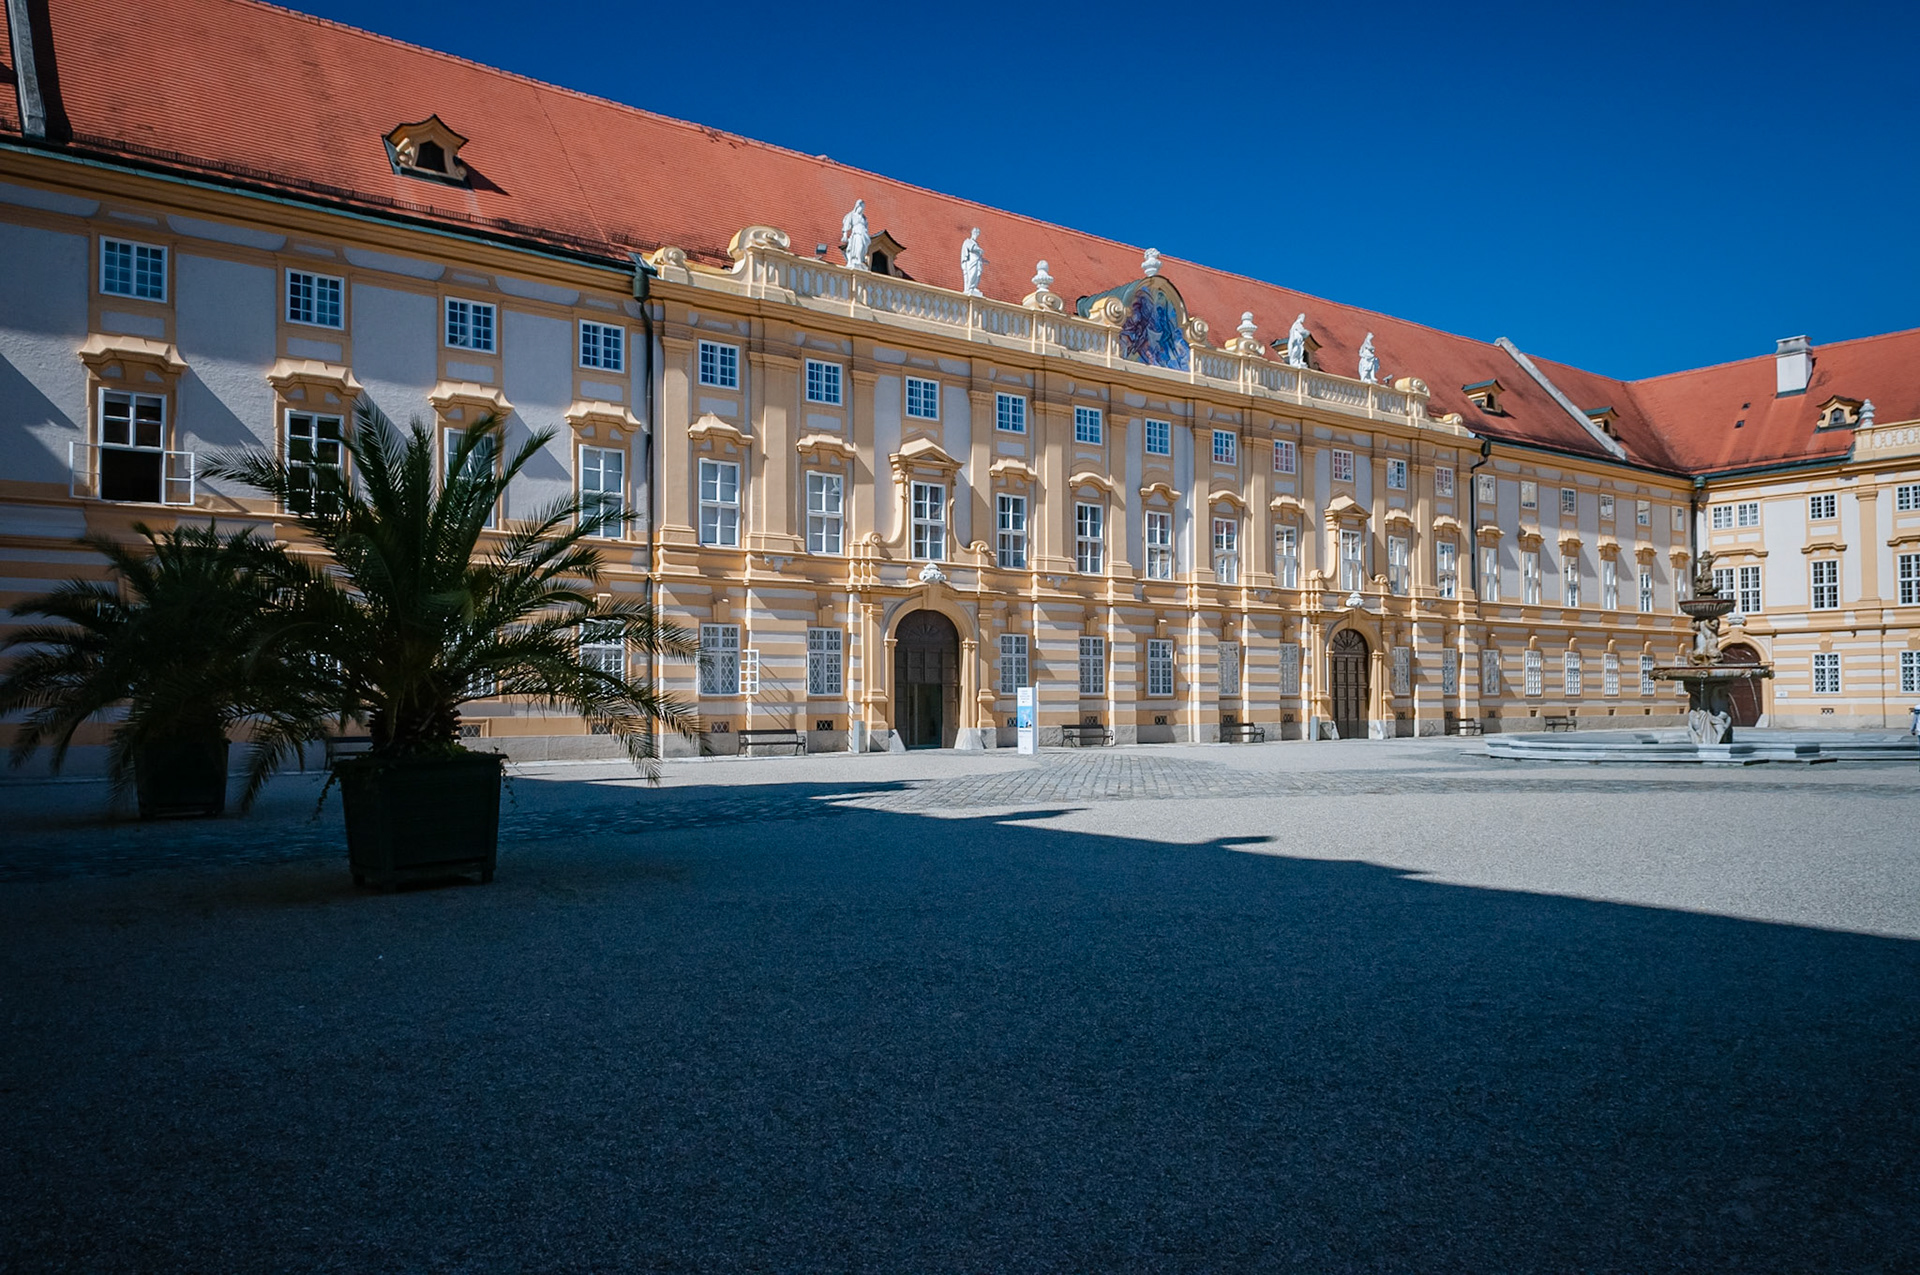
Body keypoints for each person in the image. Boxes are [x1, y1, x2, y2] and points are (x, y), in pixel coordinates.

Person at [841, 200, 871, 271]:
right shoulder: (852, 215)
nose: (862, 209)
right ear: (857, 207)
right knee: (859, 246)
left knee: (863, 247)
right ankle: (857, 260)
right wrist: (845, 235)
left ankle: (860, 260)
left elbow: (866, 227)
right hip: (857, 233)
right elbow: (846, 225)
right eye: (861, 207)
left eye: (863, 208)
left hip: (863, 234)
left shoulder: (864, 218)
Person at [960, 228, 986, 296]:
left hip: (977, 260)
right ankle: (970, 288)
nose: (976, 235)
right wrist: (979, 250)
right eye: (975, 233)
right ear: (972, 233)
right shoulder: (968, 241)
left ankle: (973, 287)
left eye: (977, 234)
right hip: (971, 261)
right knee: (972, 273)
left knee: (977, 274)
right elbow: (972, 248)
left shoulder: (976, 244)